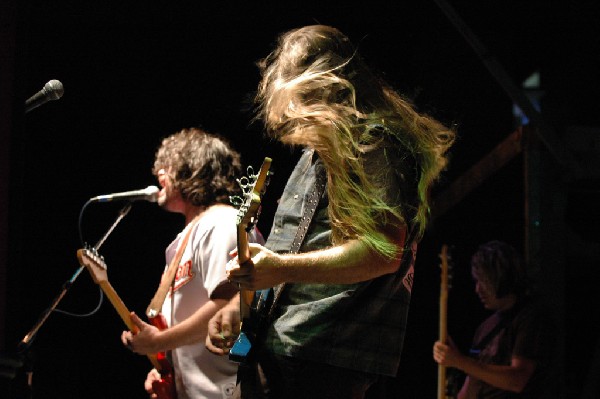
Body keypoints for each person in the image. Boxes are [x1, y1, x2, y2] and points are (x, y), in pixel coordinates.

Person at [205, 25, 456, 398]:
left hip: (321, 359)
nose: (296, 121)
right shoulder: (317, 155)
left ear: (327, 87)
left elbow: (384, 251)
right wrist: (239, 310)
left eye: (301, 101)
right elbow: (289, 258)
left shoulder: (375, 146)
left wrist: (278, 268)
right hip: (282, 351)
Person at [120, 127, 264, 399]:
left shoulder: (220, 223)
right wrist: (171, 374)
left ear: (193, 167)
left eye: (168, 164)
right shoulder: (185, 239)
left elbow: (232, 302)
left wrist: (160, 341)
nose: (157, 172)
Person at [432, 240, 562, 398]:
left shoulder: (531, 318)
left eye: (483, 281)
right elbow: (473, 383)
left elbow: (517, 380)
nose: (477, 289)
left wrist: (459, 361)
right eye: (476, 281)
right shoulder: (485, 327)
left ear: (501, 277)